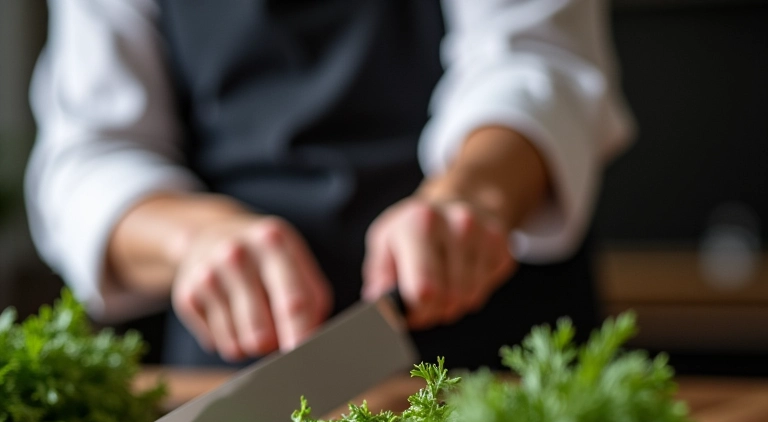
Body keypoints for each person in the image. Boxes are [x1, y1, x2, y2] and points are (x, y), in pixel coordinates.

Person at [25, 0, 634, 369]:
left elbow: (537, 58)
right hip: (244, 384)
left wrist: (470, 198)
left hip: (502, 350)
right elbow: (88, 154)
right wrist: (194, 241)